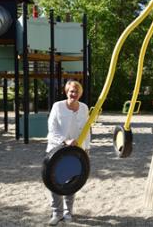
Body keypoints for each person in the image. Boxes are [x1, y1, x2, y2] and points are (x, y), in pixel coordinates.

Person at [45, 80, 90, 226]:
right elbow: (52, 130)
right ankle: (57, 213)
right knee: (55, 181)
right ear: (66, 92)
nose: (74, 94)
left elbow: (86, 129)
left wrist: (86, 149)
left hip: (76, 151)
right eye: (71, 91)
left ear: (80, 94)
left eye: (77, 92)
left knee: (72, 180)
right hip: (57, 149)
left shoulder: (84, 108)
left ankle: (68, 212)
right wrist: (65, 140)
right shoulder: (57, 106)